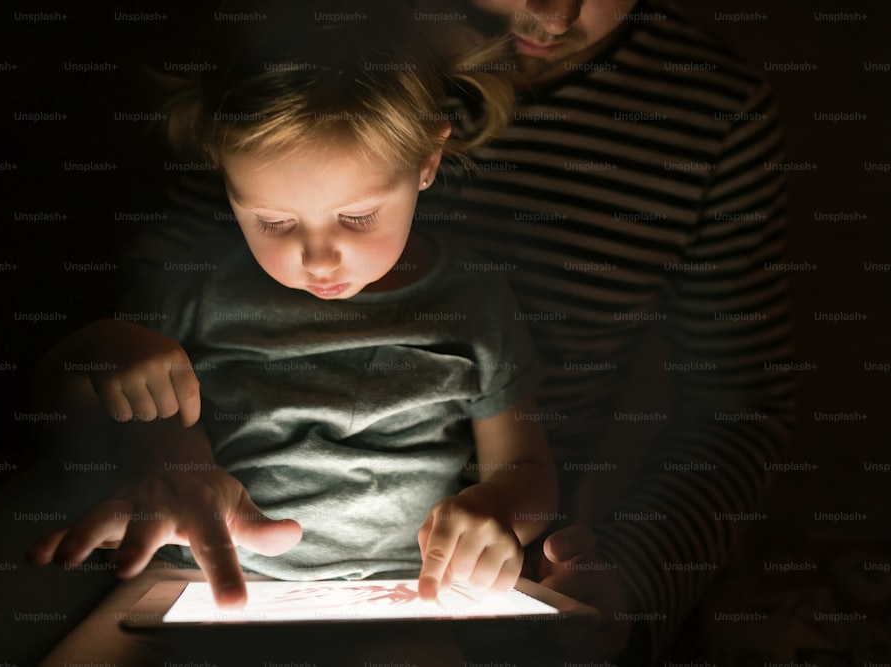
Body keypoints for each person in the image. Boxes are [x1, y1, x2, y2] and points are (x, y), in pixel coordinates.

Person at [118, 0, 795, 662]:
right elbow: (133, 346)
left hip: (462, 588)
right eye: (278, 223)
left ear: (429, 159)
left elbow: (738, 407)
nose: (554, 17)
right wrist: (152, 444)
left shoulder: (710, 108)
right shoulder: (305, 49)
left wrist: (629, 581)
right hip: (203, 570)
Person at [25, 1, 557, 664]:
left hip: (393, 598)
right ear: (223, 171)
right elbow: (58, 405)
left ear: (427, 158)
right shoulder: (193, 289)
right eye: (275, 222)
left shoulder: (474, 301)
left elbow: (527, 466)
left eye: (358, 216)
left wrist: (499, 510)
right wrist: (102, 348)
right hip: (198, 586)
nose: (318, 257)